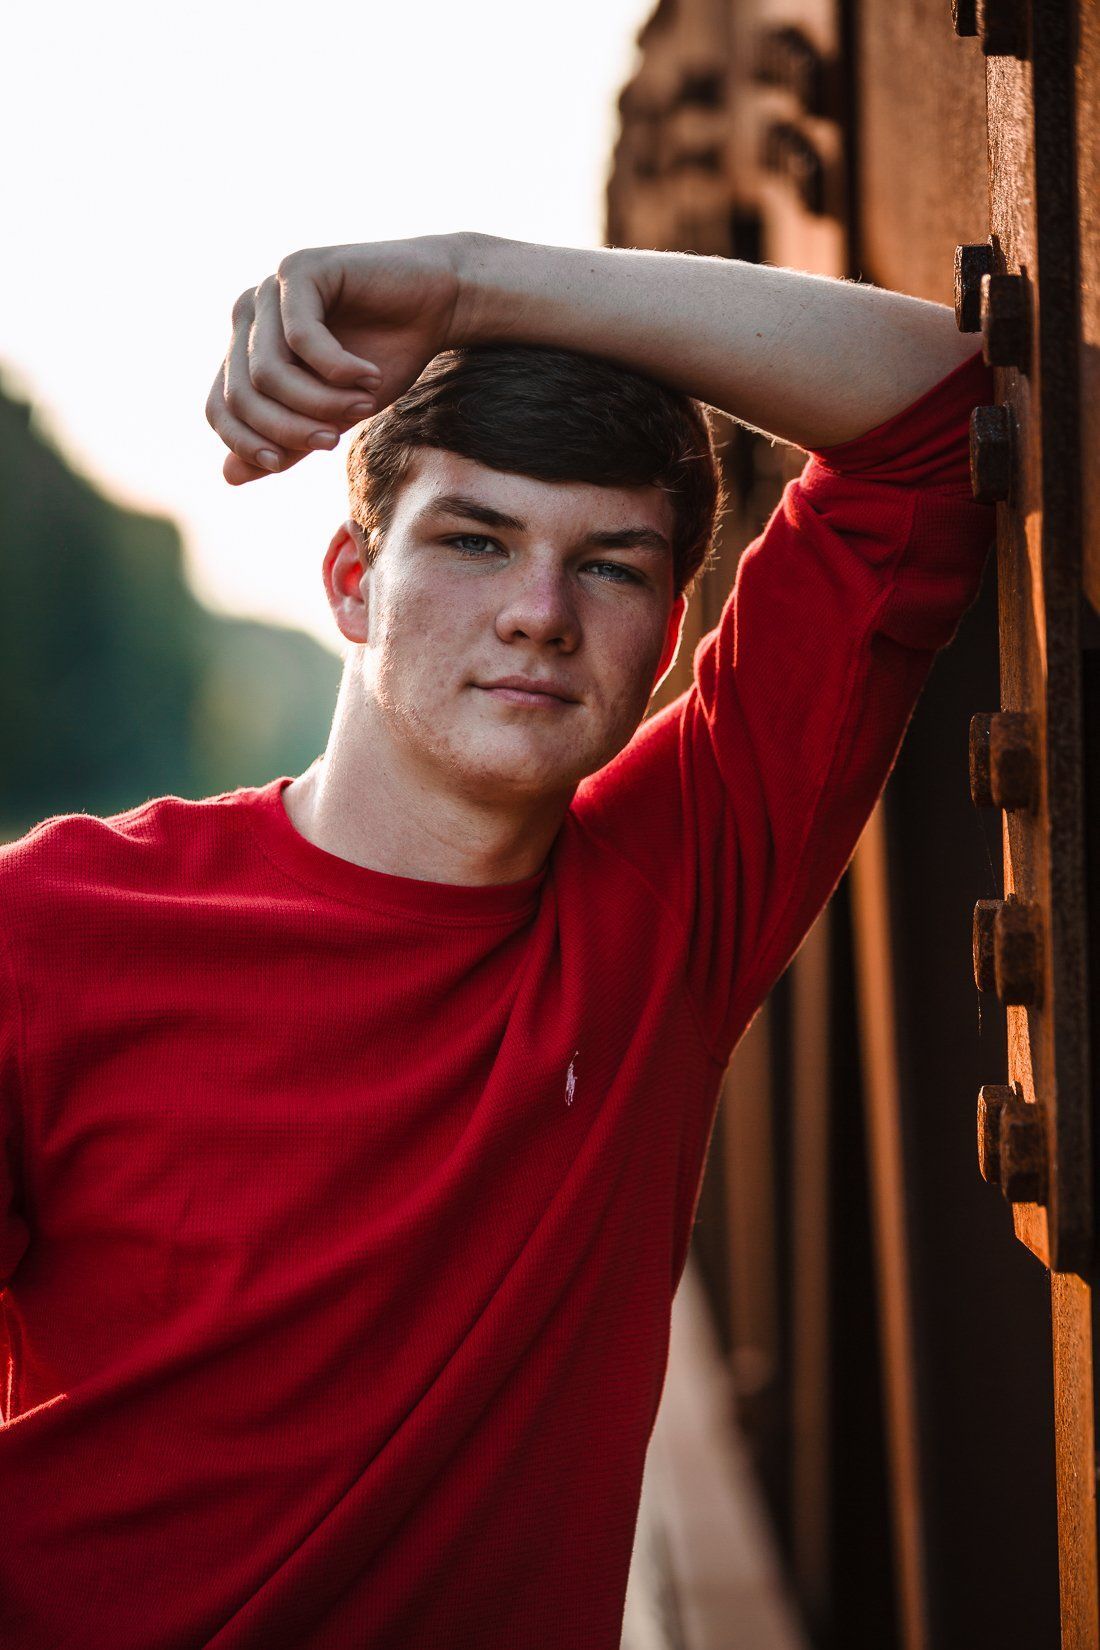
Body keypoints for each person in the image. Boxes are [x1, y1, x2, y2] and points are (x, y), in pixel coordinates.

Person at [0, 231, 993, 1649]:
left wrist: (464, 284)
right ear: (353, 582)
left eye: (609, 566)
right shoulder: (51, 930)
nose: (538, 614)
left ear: (665, 639)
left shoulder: (671, 904)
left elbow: (939, 404)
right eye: (473, 540)